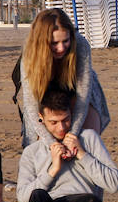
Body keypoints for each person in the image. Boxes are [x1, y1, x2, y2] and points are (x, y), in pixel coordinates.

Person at [15, 87, 118, 202]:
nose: (61, 128)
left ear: (72, 114)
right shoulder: (32, 152)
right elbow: (24, 199)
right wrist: (53, 170)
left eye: (66, 120)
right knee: (36, 194)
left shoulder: (88, 138)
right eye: (54, 122)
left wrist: (83, 154)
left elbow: (113, 184)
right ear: (41, 118)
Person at [17, 8, 110, 148]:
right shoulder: (29, 55)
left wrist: (72, 135)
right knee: (37, 147)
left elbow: (82, 98)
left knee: (89, 140)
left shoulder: (81, 45)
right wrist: (51, 143)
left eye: (65, 41)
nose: (61, 48)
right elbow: (31, 105)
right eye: (54, 43)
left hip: (76, 92)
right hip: (44, 96)